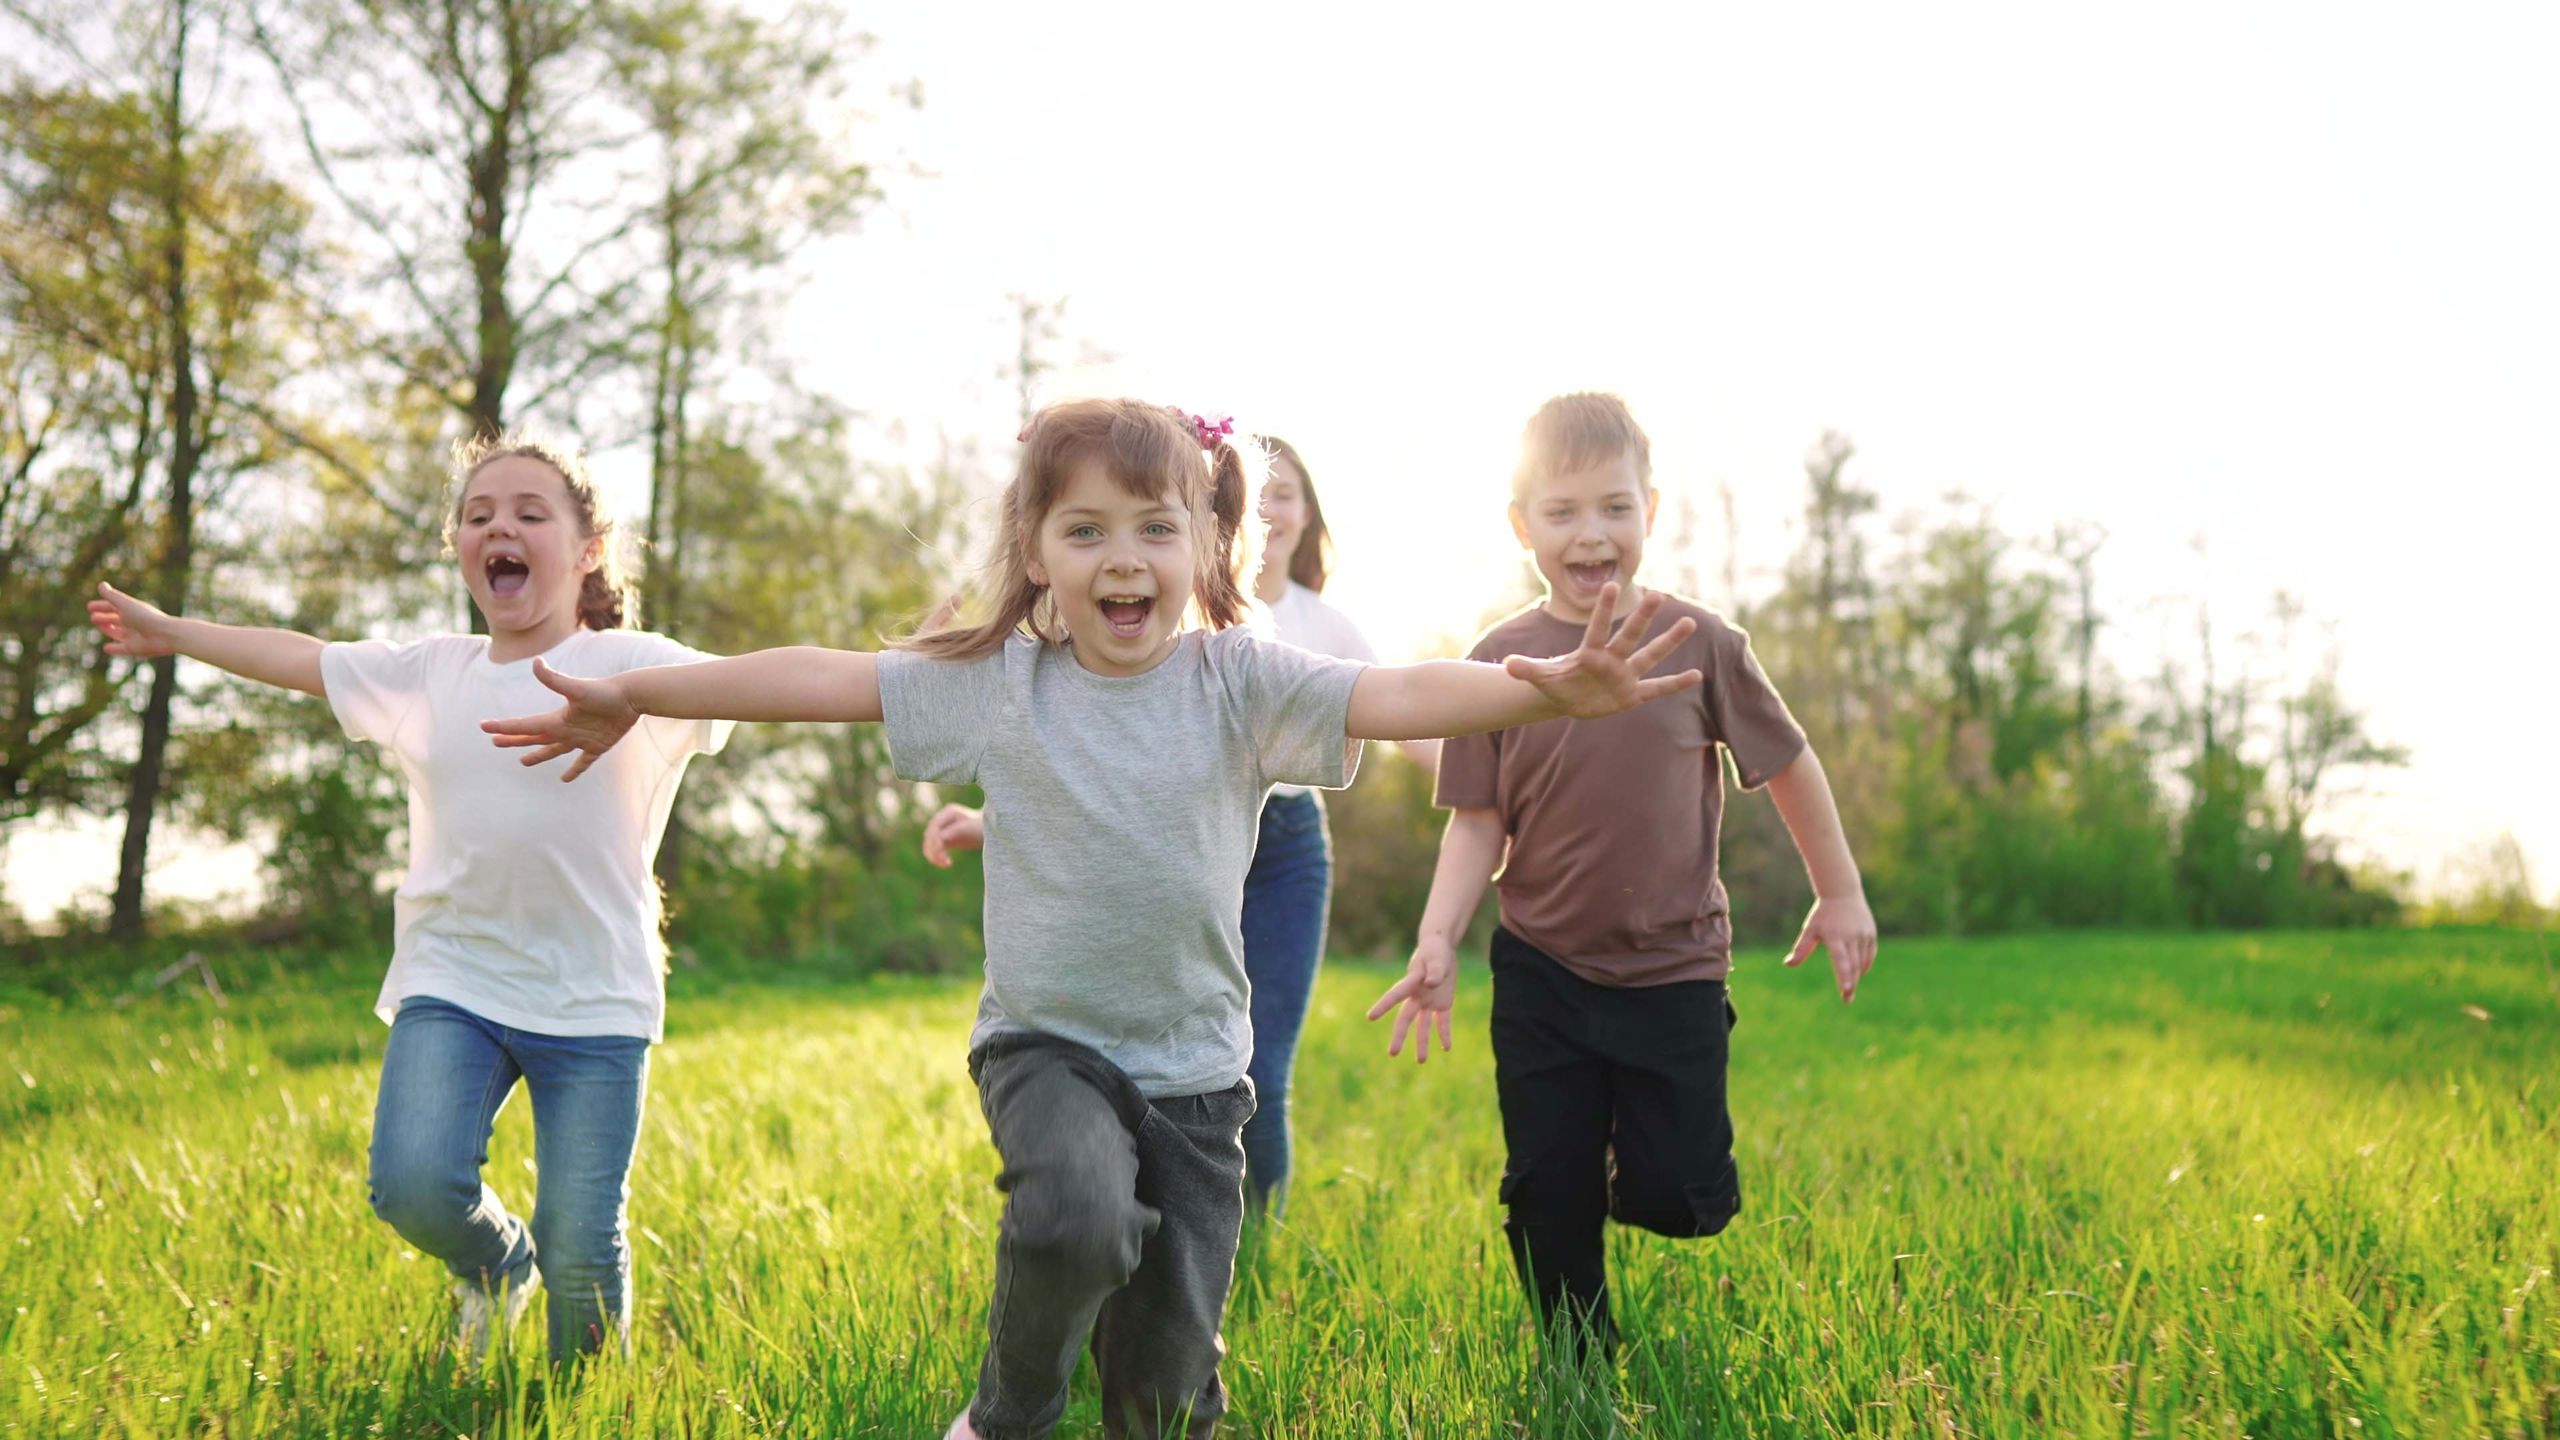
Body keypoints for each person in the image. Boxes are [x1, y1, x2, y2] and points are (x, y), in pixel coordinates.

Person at [480, 398, 1704, 1437]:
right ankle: (1004, 1413)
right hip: (1046, 1044)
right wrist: (634, 687)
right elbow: (822, 674)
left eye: (1153, 528)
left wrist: (1540, 699)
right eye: (1086, 530)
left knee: (1162, 1392)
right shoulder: (1000, 687)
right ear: (1038, 551)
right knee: (1069, 1211)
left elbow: (1394, 693)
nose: (1123, 556)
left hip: (1195, 1077)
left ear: (1206, 542)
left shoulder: (1244, 685)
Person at [86, 436, 730, 1363]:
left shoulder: (635, 662)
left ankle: (581, 1405)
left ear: (588, 548)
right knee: (415, 1185)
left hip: (595, 996)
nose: (499, 527)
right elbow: (303, 658)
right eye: (478, 516)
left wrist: (903, 672)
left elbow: (764, 679)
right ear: (460, 547)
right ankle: (498, 1264)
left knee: (583, 1248)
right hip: (454, 976)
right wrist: (173, 632)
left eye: (529, 513)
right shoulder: (432, 672)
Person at [1367, 392, 1880, 1370]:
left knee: (1683, 1198)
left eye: (1612, 507)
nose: (1589, 534)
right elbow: (1477, 821)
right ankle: (1581, 1358)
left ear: (1651, 509)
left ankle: (1613, 1160)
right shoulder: (1496, 665)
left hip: (1673, 968)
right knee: (1544, 1188)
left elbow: (1786, 761)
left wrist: (1840, 888)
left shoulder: (1701, 642)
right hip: (1542, 970)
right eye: (1560, 513)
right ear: (1522, 528)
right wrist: (1437, 937)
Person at [921, 432, 1436, 1215]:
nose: (1270, 505)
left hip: (1283, 850)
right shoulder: (1164, 605)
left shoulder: (1319, 622)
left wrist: (1488, 789)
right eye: (1256, 492)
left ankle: (1249, 1226)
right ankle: (1123, 1210)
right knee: (1172, 1064)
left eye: (1286, 492)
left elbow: (1403, 713)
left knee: (1256, 1066)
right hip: (1178, 835)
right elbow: (1098, 769)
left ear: (1306, 515)